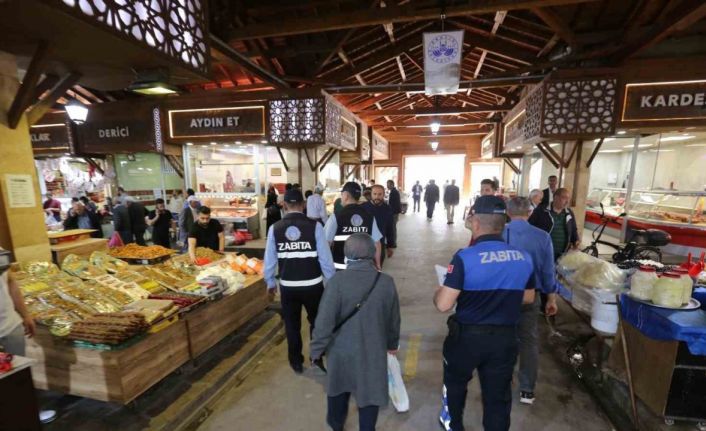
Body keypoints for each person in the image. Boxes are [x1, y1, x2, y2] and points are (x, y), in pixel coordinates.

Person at [434, 195, 535, 431]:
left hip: (466, 338)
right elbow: (529, 297)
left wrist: (439, 290)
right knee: (498, 397)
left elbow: (443, 305)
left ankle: (453, 425)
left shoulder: (464, 257)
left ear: (476, 223)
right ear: (503, 224)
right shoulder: (523, 258)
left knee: (455, 385)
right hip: (505, 338)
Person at [310, 233, 400, 431]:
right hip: (373, 350)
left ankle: (336, 426)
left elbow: (324, 321)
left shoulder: (336, 282)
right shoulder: (386, 282)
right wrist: (392, 344)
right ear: (372, 252)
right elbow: (393, 319)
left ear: (346, 254)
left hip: (341, 351)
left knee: (338, 390)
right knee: (370, 393)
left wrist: (316, 349)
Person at [264, 189, 335, 374]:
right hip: (313, 285)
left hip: (288, 287)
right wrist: (331, 282)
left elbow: (270, 260)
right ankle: (317, 356)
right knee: (317, 323)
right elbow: (325, 260)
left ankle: (296, 362)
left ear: (285, 205)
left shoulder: (275, 228)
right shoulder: (315, 226)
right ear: (303, 205)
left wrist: (270, 283)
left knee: (292, 325)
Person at [503, 197, 559, 405]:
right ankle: (527, 389)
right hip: (530, 296)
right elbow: (547, 271)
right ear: (529, 212)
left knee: (502, 338)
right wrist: (550, 298)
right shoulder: (543, 237)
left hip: (503, 296)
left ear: (508, 212)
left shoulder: (498, 234)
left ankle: (502, 382)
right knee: (528, 340)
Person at [0, 252, 57, 424]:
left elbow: (11, 281)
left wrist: (25, 314)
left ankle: (29, 414)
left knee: (19, 376)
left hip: (10, 325)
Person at [323, 182, 383, 270]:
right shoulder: (369, 216)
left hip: (341, 269)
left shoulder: (336, 216)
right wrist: (378, 264)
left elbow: (326, 243)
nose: (341, 197)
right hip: (364, 270)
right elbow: (377, 243)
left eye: (342, 194)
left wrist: (325, 265)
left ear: (346, 195)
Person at [529, 187, 580, 261]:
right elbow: (530, 228)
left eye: (568, 198)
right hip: (543, 253)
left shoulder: (569, 213)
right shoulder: (541, 210)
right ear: (555, 197)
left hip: (562, 254)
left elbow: (573, 229)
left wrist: (576, 240)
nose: (567, 201)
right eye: (564, 198)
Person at [362, 185, 396, 268]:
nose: (377, 197)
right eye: (375, 194)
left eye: (380, 194)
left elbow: (390, 228)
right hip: (363, 246)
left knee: (378, 269)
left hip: (380, 245)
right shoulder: (363, 207)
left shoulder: (387, 209)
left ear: (384, 195)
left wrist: (390, 246)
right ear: (371, 194)